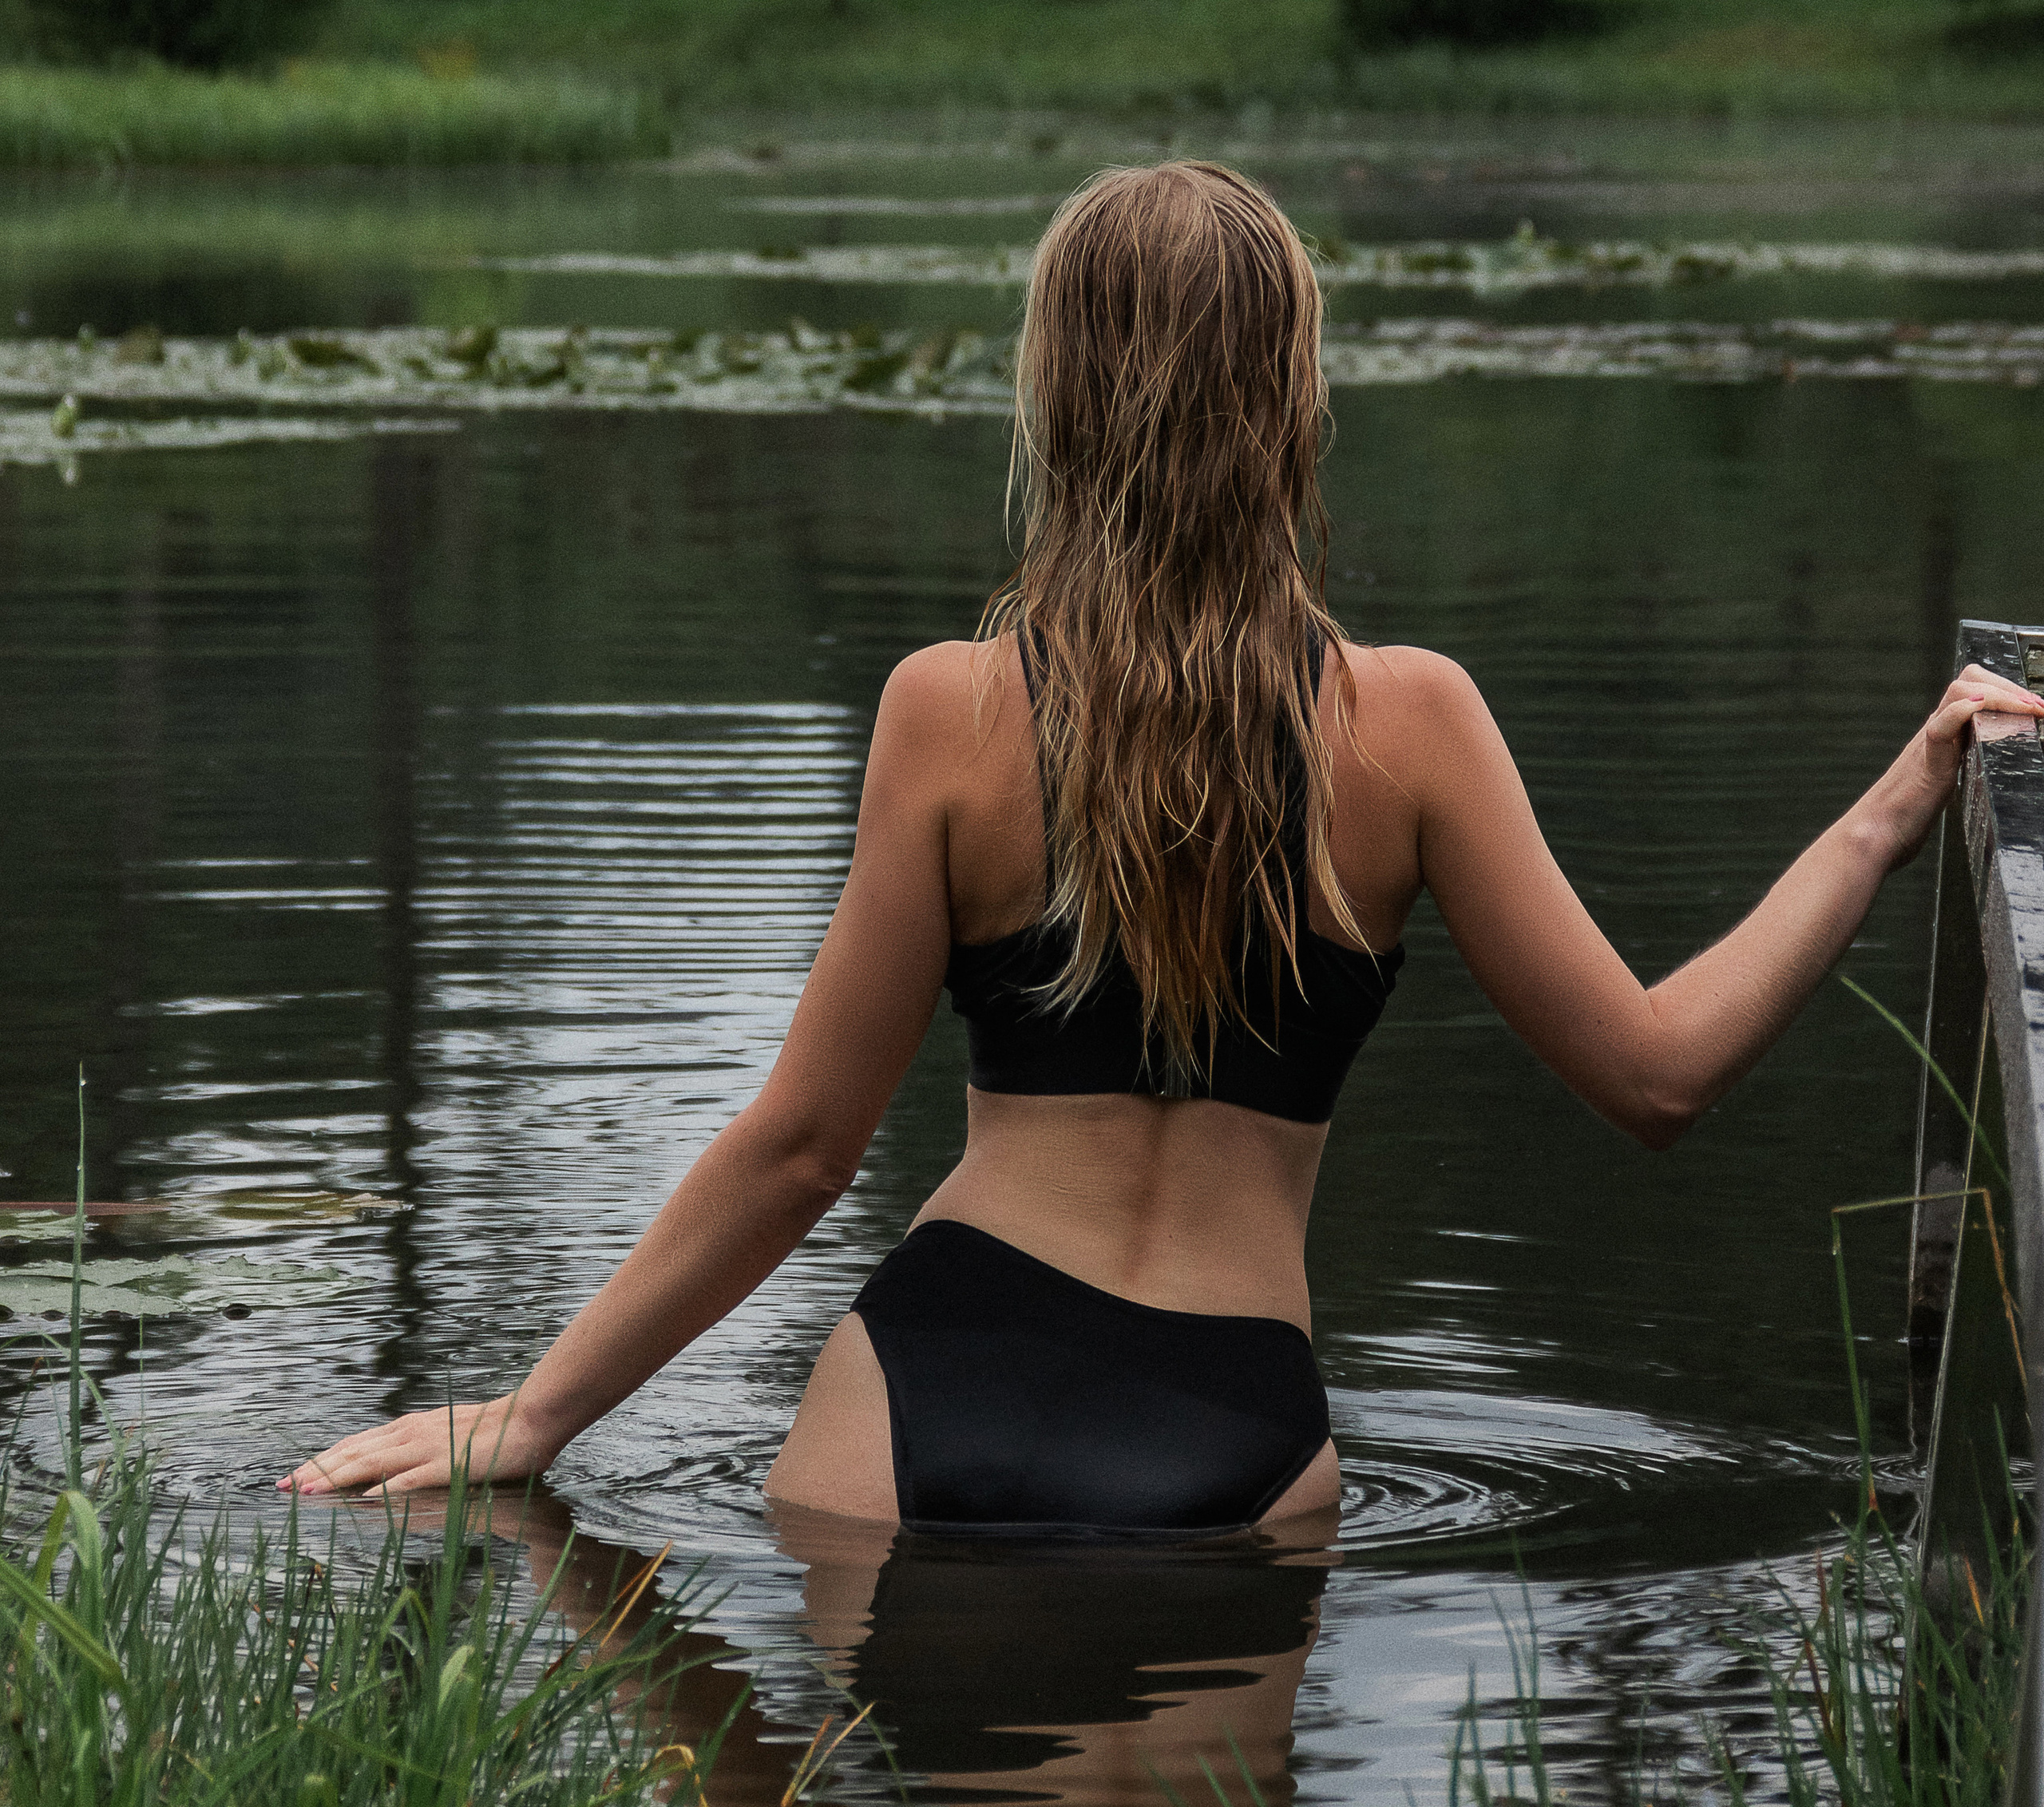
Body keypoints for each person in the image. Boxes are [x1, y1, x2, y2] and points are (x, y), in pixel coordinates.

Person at [283, 159, 2044, 1526]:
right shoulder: (1410, 723)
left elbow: (804, 1144)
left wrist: (532, 1417)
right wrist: (1890, 806)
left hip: (924, 1378)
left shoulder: (947, 713)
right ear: (1290, 397)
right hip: (1240, 1418)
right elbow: (1657, 1074)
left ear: (1057, 402)